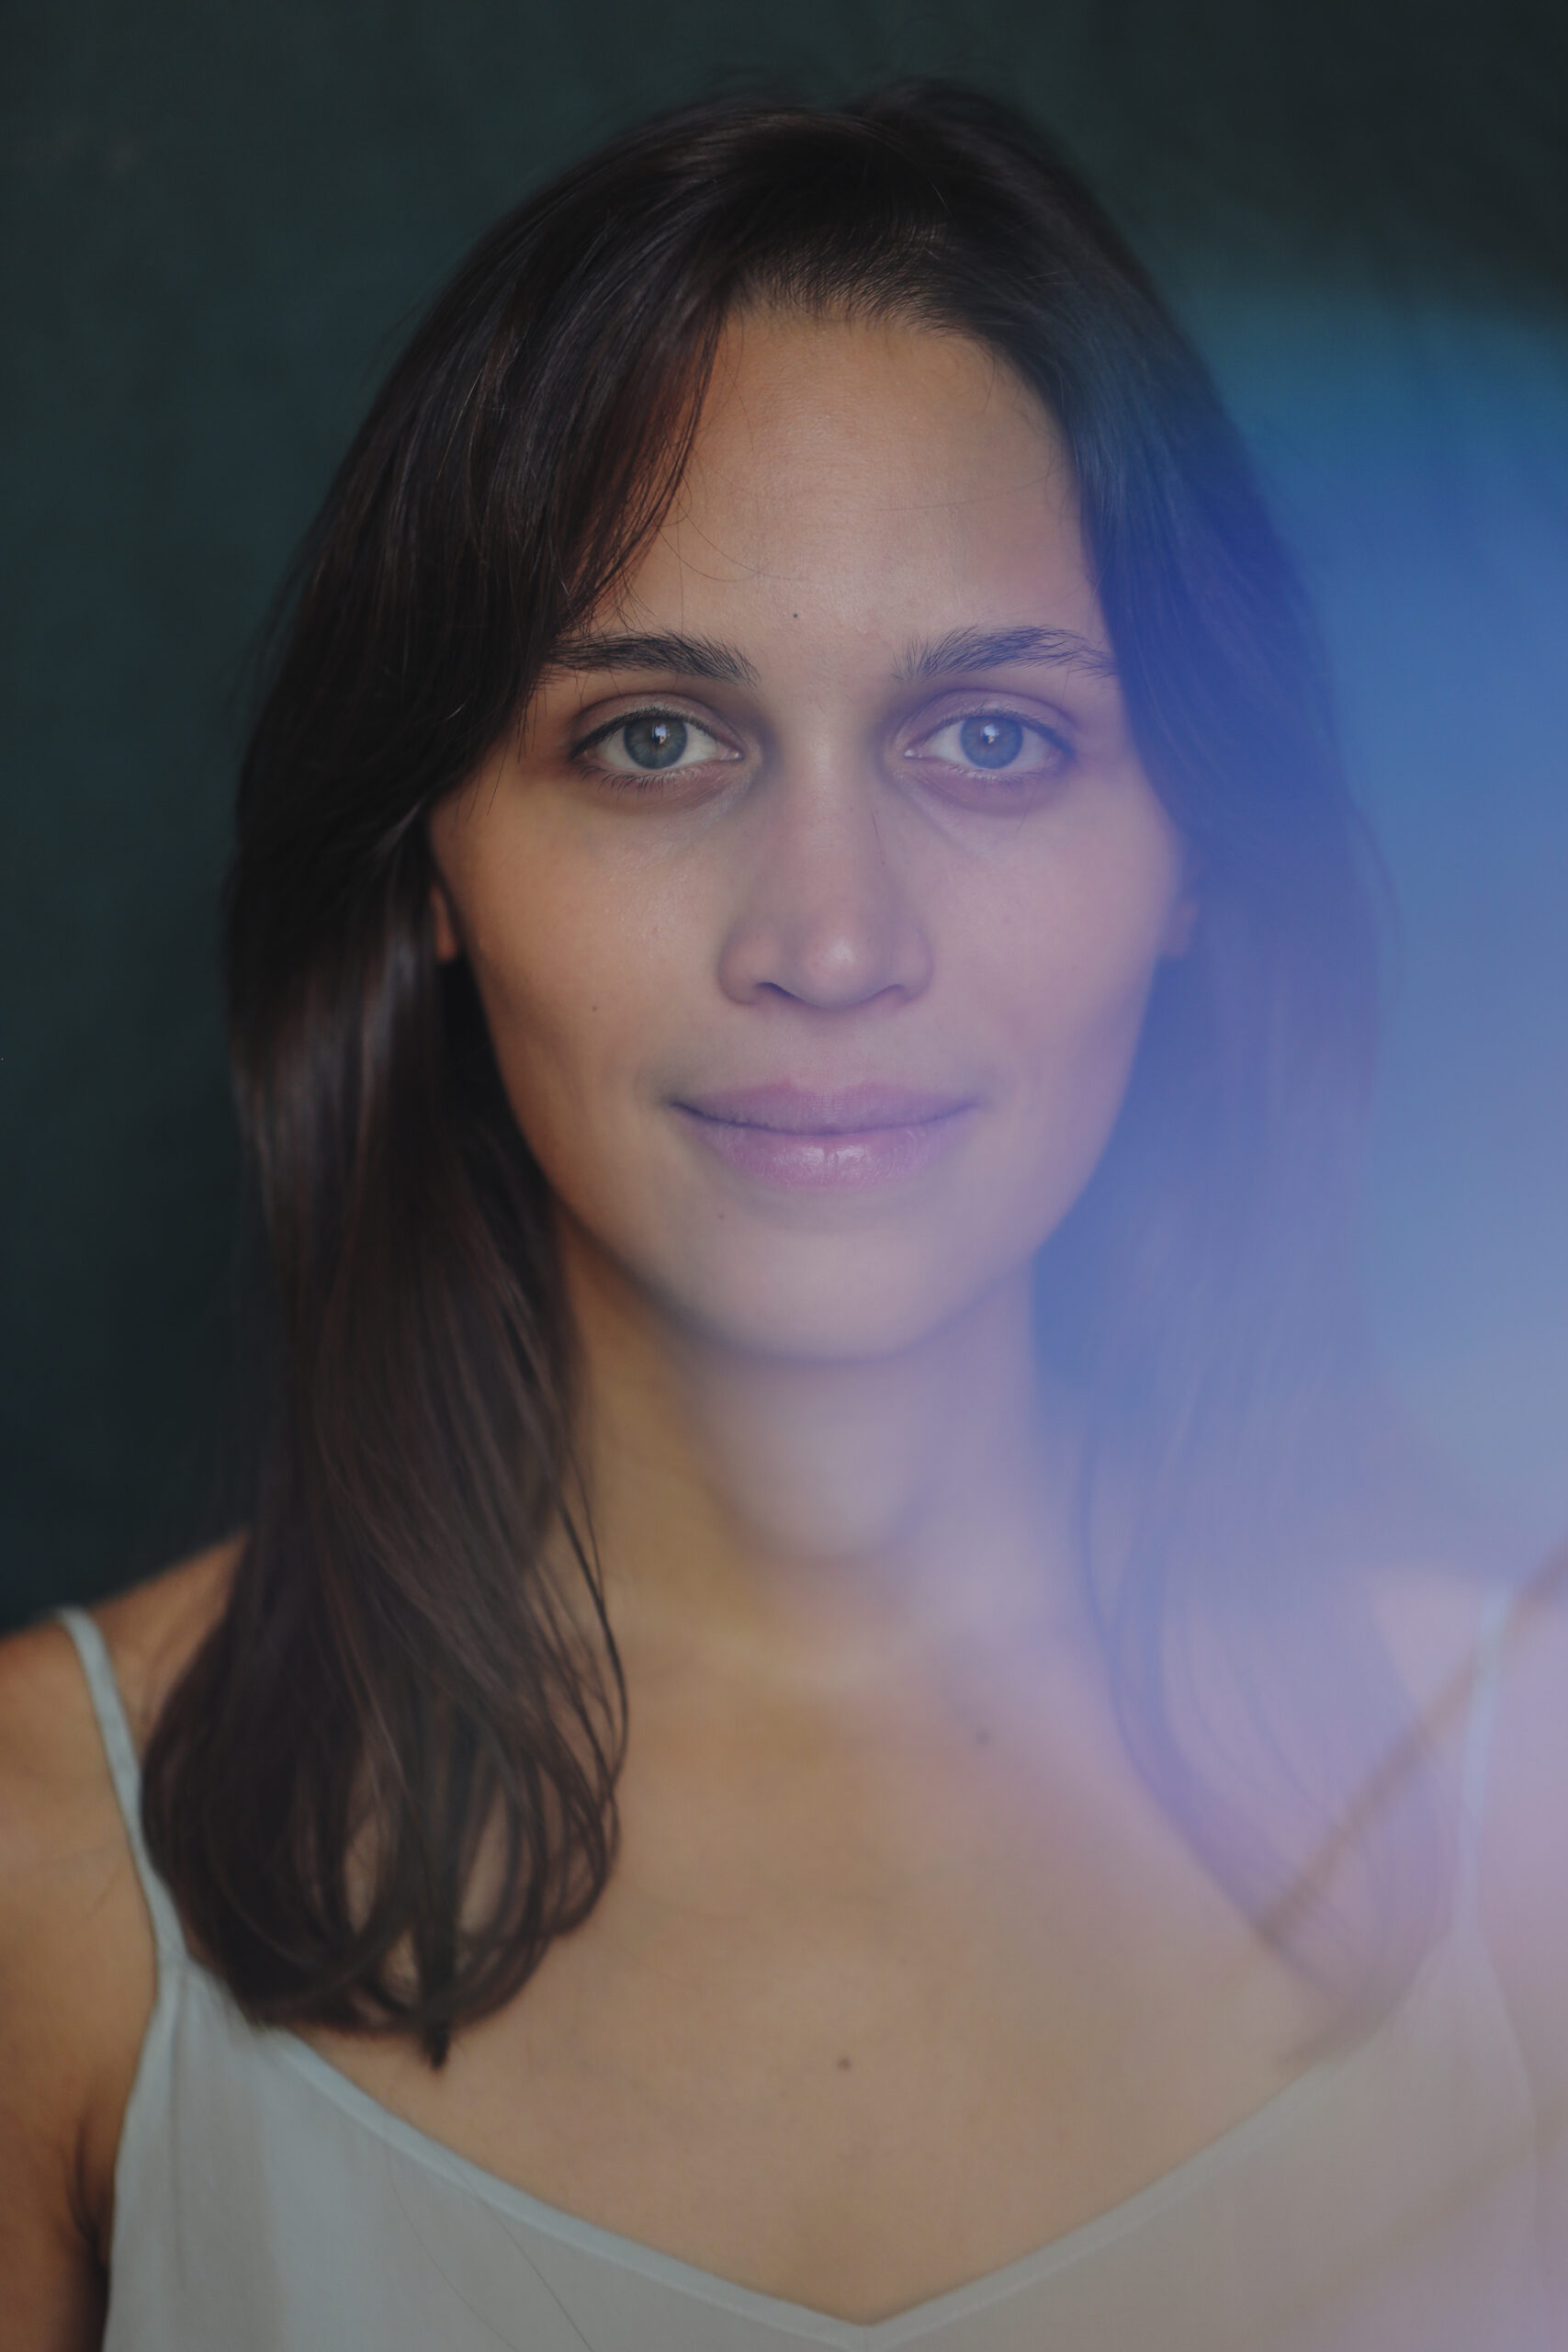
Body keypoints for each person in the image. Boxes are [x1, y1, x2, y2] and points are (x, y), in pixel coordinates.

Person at [1, 83, 1563, 2351]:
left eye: (991, 738)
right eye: (654, 737)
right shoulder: (41, 1869)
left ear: (1196, 853)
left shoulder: (1538, 1796)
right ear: (428, 864)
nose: (830, 939)